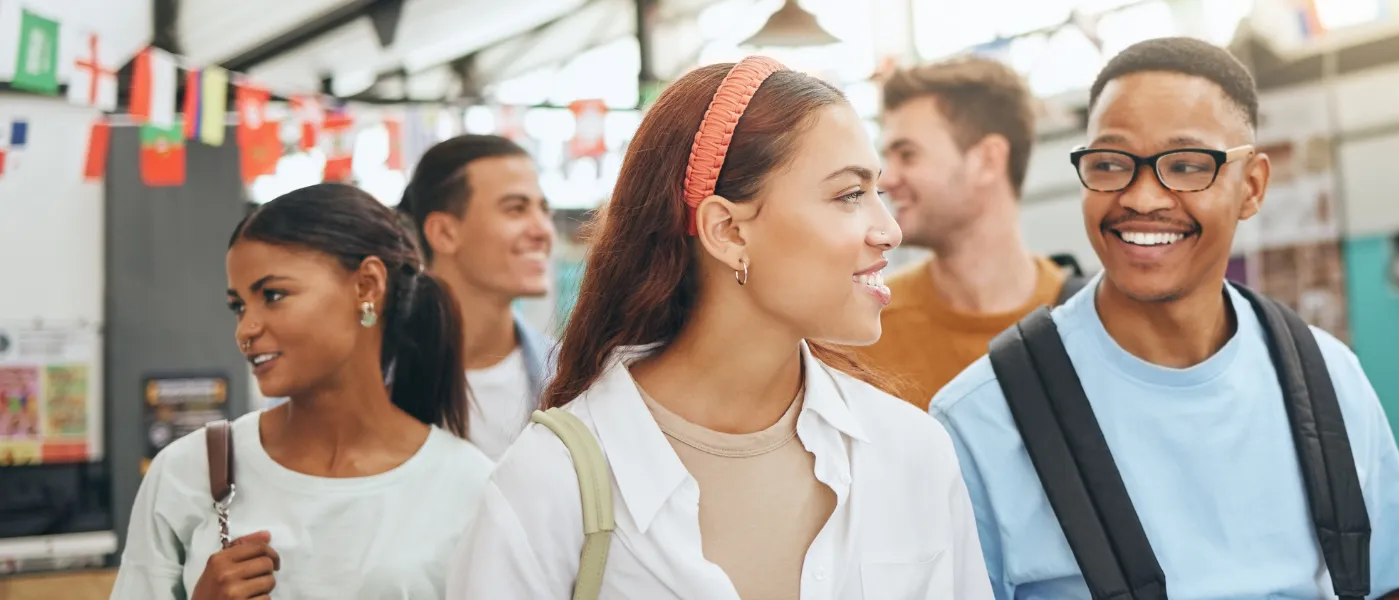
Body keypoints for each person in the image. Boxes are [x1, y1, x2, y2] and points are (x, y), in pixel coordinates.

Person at [444, 56, 991, 599]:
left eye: (878, 194)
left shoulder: (911, 453)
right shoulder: (548, 487)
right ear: (727, 231)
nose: (889, 231)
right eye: (849, 195)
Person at [929, 37, 1399, 600]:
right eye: (1109, 163)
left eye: (1186, 165)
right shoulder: (982, 420)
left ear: (1252, 186)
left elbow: (1393, 584)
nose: (1143, 197)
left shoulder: (1329, 379)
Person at [112, 183, 491, 599]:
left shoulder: (468, 486)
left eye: (273, 295)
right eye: (238, 305)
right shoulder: (189, 472)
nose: (246, 329)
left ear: (366, 286)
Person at [856, 57, 1075, 409]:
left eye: (908, 155)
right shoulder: (863, 332)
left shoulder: (1093, 322)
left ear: (987, 160)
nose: (886, 180)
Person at [396, 134, 557, 459]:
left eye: (544, 209)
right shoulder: (365, 383)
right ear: (443, 233)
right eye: (516, 209)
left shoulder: (573, 378)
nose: (542, 230)